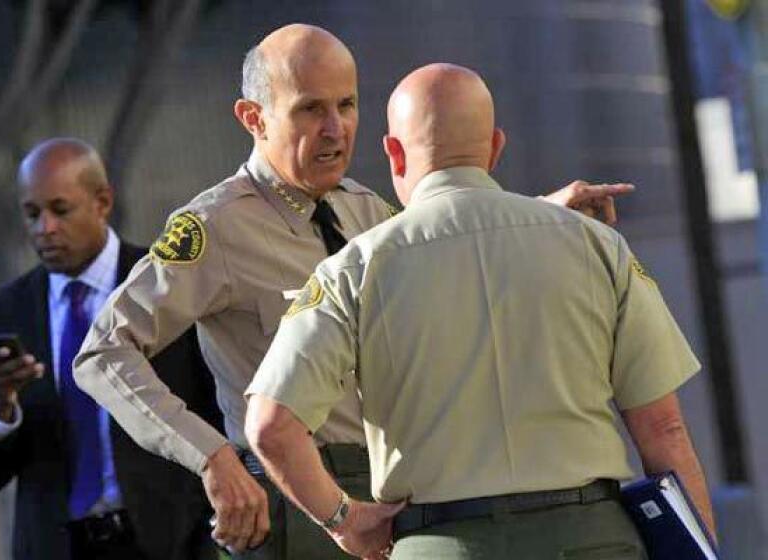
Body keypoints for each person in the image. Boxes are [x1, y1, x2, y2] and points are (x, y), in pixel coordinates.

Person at [74, 24, 635, 559]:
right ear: (253, 118)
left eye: (346, 104)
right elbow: (103, 353)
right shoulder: (214, 226)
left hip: (398, 493)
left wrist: (542, 213)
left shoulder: (364, 210)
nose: (335, 128)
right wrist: (211, 458)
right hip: (297, 502)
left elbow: (450, 241)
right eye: (310, 108)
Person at [244, 63, 715, 560]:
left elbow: (271, 425)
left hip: (440, 544)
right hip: (593, 540)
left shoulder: (353, 269)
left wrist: (344, 519)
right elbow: (665, 431)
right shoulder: (598, 247)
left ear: (395, 153)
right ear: (494, 146)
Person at [0, 138, 224, 560]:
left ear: (102, 201)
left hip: (169, 544)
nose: (45, 228)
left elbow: (216, 412)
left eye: (60, 210)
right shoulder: (4, 313)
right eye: (31, 214)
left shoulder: (167, 286)